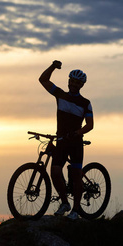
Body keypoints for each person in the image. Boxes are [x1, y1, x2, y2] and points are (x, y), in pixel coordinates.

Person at [39, 60, 94, 220]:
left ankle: (76, 211)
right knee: (55, 172)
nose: (74, 84)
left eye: (78, 83)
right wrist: (52, 66)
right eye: (72, 81)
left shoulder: (85, 103)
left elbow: (90, 125)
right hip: (61, 141)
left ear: (81, 85)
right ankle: (65, 203)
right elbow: (43, 80)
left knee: (76, 176)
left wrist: (77, 133)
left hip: (75, 143)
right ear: (69, 81)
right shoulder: (60, 95)